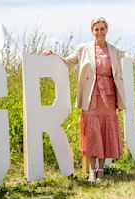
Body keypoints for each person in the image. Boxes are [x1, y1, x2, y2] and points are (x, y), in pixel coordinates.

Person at [43, 17, 126, 182]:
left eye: (102, 29)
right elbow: (68, 62)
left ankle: (101, 170)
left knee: (105, 130)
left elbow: (119, 76)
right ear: (92, 31)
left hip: (108, 97)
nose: (99, 32)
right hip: (90, 95)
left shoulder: (114, 51)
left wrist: (120, 99)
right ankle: (91, 171)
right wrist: (54, 55)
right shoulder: (83, 49)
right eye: (96, 29)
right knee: (91, 131)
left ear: (106, 30)